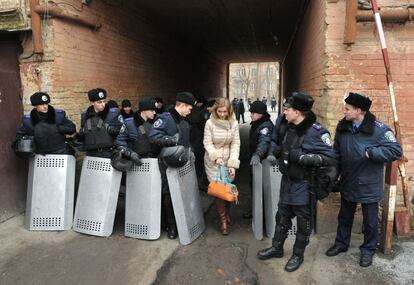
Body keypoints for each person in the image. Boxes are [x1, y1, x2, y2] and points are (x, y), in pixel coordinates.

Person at [257, 92, 336, 272]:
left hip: (304, 184)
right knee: (282, 217)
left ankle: (297, 255)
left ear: (298, 112)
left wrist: (302, 158)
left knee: (303, 222)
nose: (284, 113)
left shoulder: (317, 132)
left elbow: (329, 158)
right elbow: (283, 146)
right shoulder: (289, 127)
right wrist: (275, 152)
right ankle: (277, 248)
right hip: (288, 181)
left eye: (288, 110)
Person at [325, 92, 402, 267]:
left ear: (359, 110)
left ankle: (368, 250)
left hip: (369, 183)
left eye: (347, 109)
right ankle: (341, 244)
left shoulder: (379, 129)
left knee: (370, 222)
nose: (344, 111)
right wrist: (332, 173)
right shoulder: (343, 126)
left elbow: (396, 151)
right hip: (348, 180)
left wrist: (371, 152)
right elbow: (336, 152)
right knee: (344, 217)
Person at [148, 92, 195, 239]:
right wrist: (171, 141)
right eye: (189, 108)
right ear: (181, 105)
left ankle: (182, 223)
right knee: (168, 195)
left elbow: (186, 142)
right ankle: (171, 226)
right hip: (168, 163)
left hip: (182, 162)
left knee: (182, 193)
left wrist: (191, 151)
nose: (190, 111)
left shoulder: (185, 122)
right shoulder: (165, 119)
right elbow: (153, 136)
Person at [203, 98, 240, 235]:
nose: (222, 114)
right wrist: (215, 156)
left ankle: (227, 213)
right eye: (219, 111)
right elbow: (207, 142)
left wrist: (233, 163)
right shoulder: (209, 123)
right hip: (214, 162)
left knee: (227, 188)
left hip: (228, 160)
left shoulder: (234, 123)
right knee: (219, 191)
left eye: (225, 112)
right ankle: (223, 220)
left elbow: (235, 144)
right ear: (215, 110)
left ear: (229, 111)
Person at [243, 101, 273, 219]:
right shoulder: (258, 123)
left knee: (259, 187)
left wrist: (257, 155)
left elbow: (264, 142)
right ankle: (257, 210)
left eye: (253, 113)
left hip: (260, 163)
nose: (251, 114)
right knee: (254, 186)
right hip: (256, 161)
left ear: (261, 114)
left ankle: (261, 213)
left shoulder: (265, 126)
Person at [76, 88, 122, 158]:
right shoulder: (85, 116)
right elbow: (82, 136)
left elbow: (122, 134)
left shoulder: (113, 114)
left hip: (109, 153)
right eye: (99, 102)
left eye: (104, 101)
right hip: (91, 154)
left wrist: (110, 130)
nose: (103, 104)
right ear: (92, 103)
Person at [187, 94, 210, 192]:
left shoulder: (192, 112)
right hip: (200, 141)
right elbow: (204, 127)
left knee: (197, 164)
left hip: (194, 141)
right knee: (202, 164)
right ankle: (202, 184)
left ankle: (197, 183)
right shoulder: (203, 112)